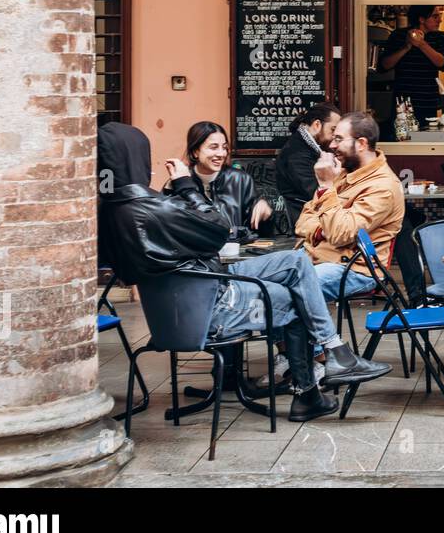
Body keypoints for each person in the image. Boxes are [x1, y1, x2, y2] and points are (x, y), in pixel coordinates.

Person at [97, 123, 390, 423]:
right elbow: (217, 229)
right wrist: (186, 186)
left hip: (182, 300)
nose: (221, 153)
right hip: (212, 301)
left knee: (295, 263)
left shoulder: (111, 209)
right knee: (293, 294)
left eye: (224, 147)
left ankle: (335, 352)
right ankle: (309, 392)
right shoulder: (154, 206)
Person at [295, 111, 408, 305]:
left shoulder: (383, 187)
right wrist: (323, 231)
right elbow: (302, 221)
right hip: (315, 257)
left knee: (289, 290)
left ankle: (324, 336)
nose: (331, 145)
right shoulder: (343, 172)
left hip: (354, 270)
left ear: (362, 144)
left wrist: (326, 187)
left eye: (338, 139)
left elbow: (339, 234)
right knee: (262, 279)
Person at [166, 121, 271, 241]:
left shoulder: (240, 179)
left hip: (236, 254)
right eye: (214, 147)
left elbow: (257, 232)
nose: (221, 154)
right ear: (195, 151)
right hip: (196, 256)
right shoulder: (181, 182)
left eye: (224, 147)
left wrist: (265, 215)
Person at [379, 5, 444, 128]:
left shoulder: (439, 36)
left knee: (426, 140)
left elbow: (443, 64)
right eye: (435, 16)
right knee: (402, 139)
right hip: (403, 102)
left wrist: (421, 44)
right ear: (421, 19)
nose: (440, 20)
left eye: (439, 16)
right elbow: (383, 66)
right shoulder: (398, 35)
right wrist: (407, 46)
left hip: (428, 101)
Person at [275, 102, 342, 229]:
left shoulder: (309, 147)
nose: (334, 137)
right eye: (333, 130)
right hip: (302, 224)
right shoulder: (296, 154)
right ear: (317, 125)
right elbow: (314, 192)